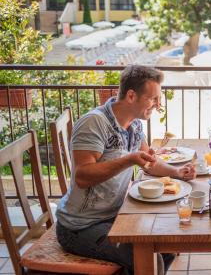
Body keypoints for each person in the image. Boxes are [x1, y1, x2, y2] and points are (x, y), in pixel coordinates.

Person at [56, 65, 196, 275]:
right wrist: (128, 160)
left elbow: (148, 162)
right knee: (148, 257)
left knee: (167, 244)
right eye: (153, 99)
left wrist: (177, 173)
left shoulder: (135, 125)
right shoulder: (94, 123)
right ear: (131, 96)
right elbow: (83, 177)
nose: (158, 105)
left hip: (116, 215)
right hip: (80, 227)